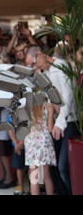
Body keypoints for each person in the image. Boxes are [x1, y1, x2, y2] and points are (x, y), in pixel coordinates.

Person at [29, 47, 79, 195]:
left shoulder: (60, 67)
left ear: (41, 56)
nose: (35, 67)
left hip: (68, 122)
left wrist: (59, 121)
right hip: (57, 122)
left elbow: (69, 96)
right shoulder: (48, 71)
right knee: (53, 166)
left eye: (34, 62)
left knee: (63, 167)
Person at [24, 95, 56, 195]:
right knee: (46, 176)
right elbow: (50, 128)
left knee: (34, 177)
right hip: (44, 143)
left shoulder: (28, 106)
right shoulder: (48, 106)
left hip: (31, 142)